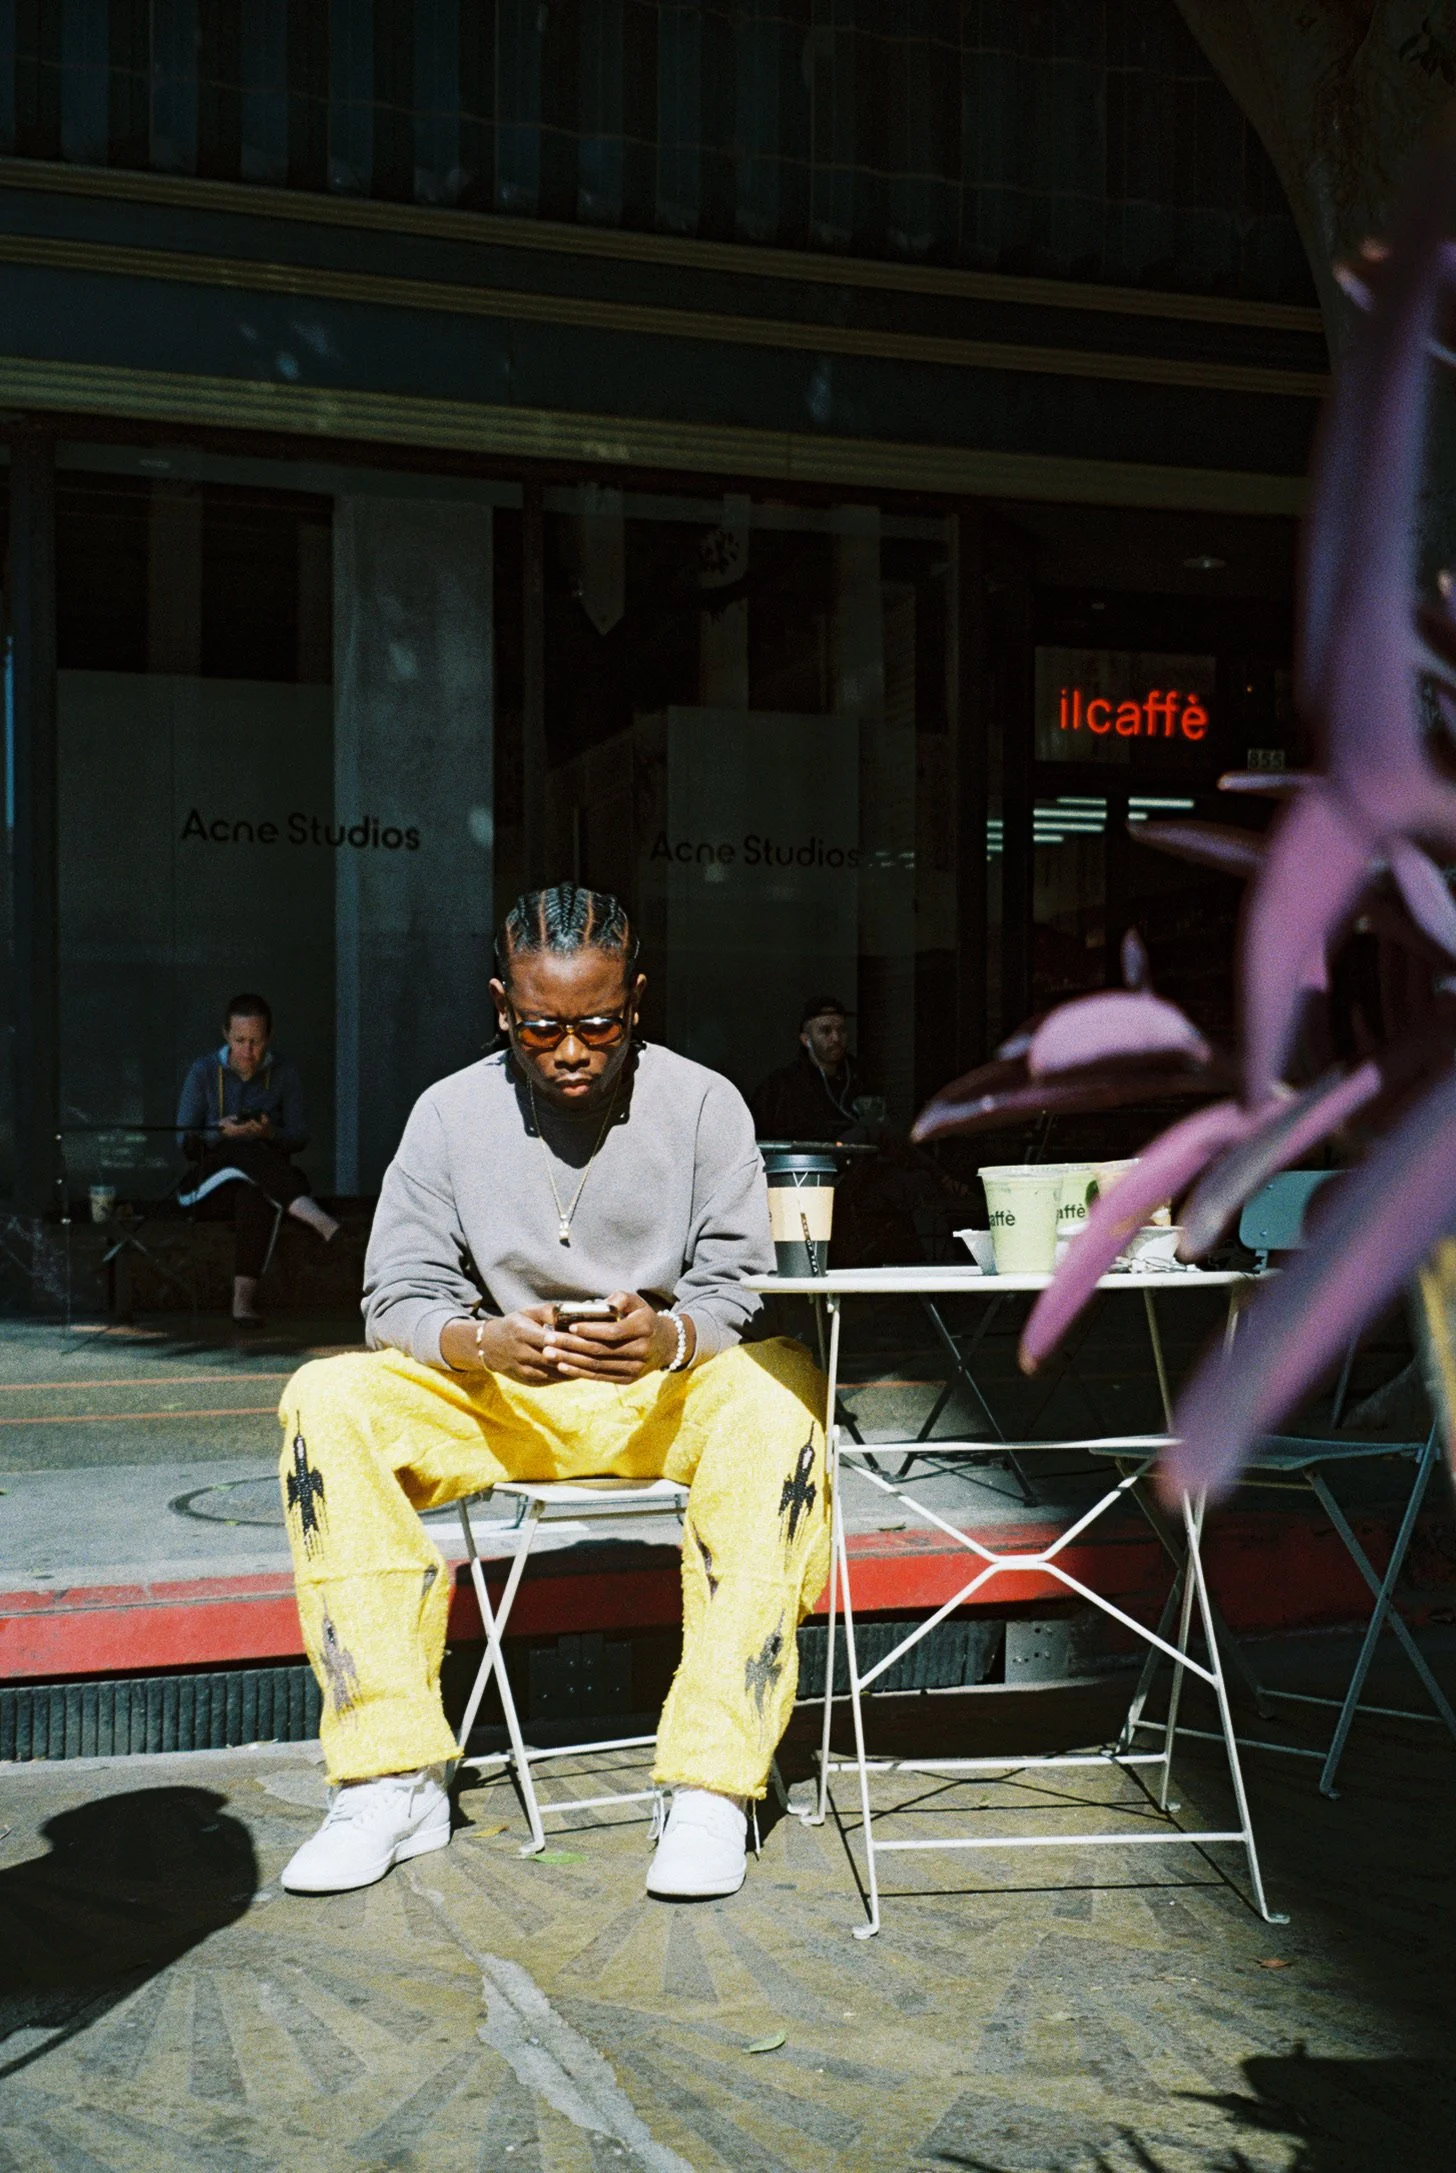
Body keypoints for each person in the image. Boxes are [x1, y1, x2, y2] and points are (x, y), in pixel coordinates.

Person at [276, 884, 829, 1902]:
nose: (571, 1051)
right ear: (501, 1006)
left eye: (599, 1024)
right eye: (540, 1027)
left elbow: (742, 1285)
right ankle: (391, 1777)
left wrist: (669, 1336)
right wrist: (480, 1341)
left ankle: (712, 1779)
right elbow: (393, 1294)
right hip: (507, 1400)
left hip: (663, 1398)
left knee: (782, 1392)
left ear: (637, 1000)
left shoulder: (704, 1102)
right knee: (326, 1397)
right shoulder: (448, 1113)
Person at [176, 995, 338, 1324]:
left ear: (269, 1037)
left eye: (256, 1042)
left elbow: (299, 1137)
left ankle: (242, 1304)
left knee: (255, 1193)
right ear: (226, 1035)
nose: (248, 1052)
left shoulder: (283, 1073)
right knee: (242, 1149)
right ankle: (322, 1221)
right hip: (206, 1188)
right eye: (240, 1041)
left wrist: (268, 1133)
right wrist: (219, 1132)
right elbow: (184, 1143)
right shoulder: (204, 1071)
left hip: (267, 1183)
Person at [749, 994, 876, 1142]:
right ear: (806, 1039)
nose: (836, 1038)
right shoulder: (782, 1087)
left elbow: (878, 1126)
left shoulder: (860, 1077)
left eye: (841, 1030)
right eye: (826, 1031)